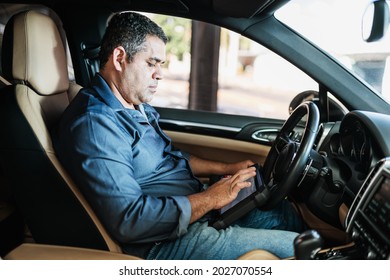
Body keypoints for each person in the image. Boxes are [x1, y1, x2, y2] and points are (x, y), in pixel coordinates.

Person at [52, 11, 304, 260]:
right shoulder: (96, 124)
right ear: (120, 58)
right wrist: (210, 198)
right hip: (163, 241)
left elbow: (170, 157)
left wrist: (226, 168)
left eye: (160, 64)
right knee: (300, 248)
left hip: (191, 210)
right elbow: (130, 220)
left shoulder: (134, 105)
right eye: (151, 63)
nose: (159, 73)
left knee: (281, 212)